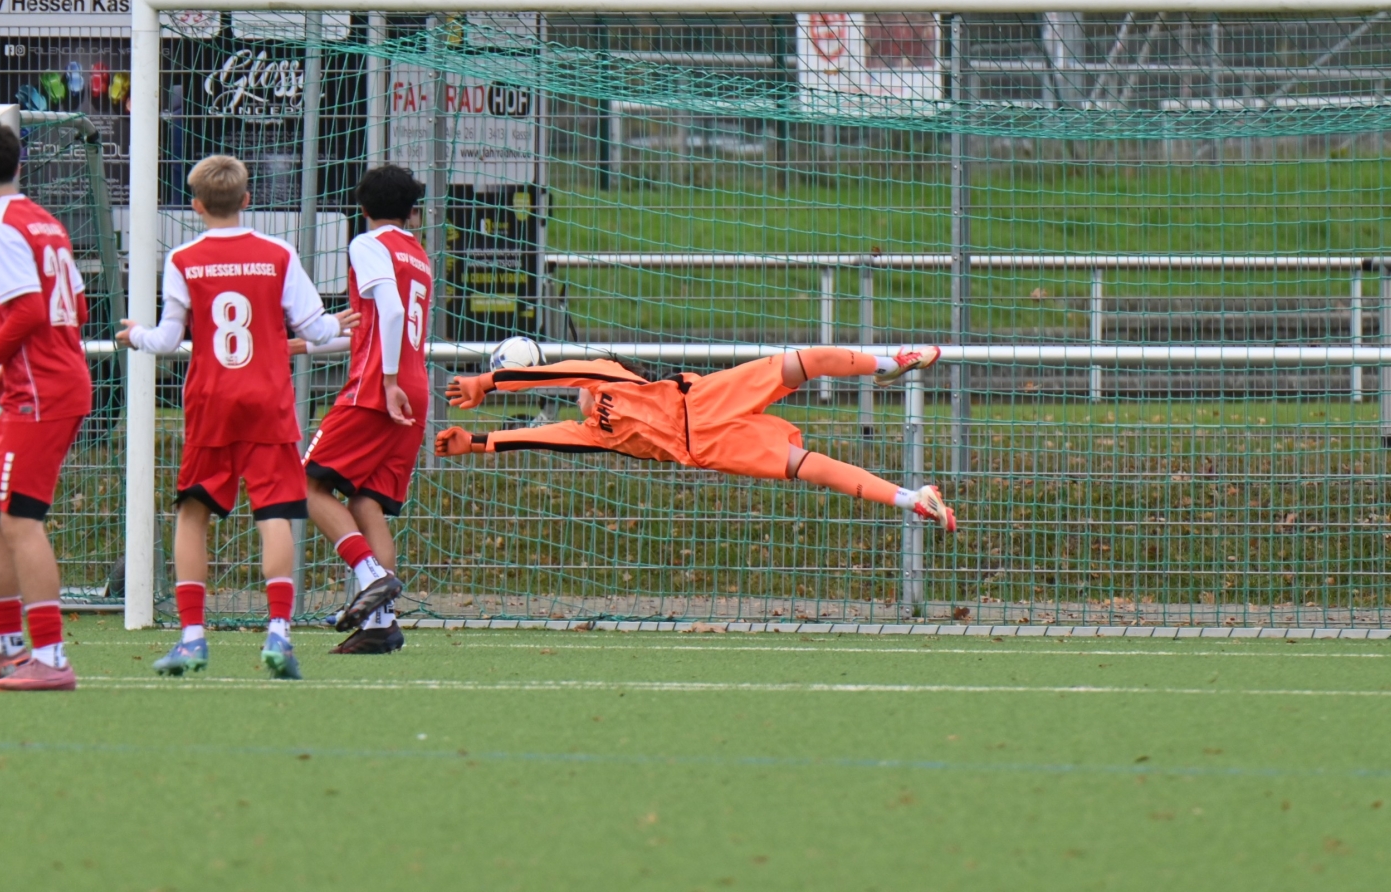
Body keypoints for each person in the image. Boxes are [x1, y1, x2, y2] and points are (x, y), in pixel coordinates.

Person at [120, 154, 347, 680]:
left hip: (211, 402)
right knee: (275, 513)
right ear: (246, 199)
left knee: (193, 512)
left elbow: (166, 340)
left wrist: (134, 335)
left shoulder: (184, 258)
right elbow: (315, 330)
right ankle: (279, 632)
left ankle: (192, 638)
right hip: (268, 400)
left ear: (196, 205)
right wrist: (339, 324)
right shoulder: (278, 253)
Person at [436, 348, 958, 530]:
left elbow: (554, 373)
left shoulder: (608, 378)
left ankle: (889, 363)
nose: (576, 394)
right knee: (810, 466)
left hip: (703, 401)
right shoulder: (595, 434)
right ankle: (914, 499)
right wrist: (477, 442)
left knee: (804, 361)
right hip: (705, 448)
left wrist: (490, 382)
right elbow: (540, 440)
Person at [0, 118, 94, 693]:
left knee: (19, 519)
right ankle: (8, 648)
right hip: (38, 382)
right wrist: (8, 369)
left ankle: (50, 657)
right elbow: (75, 308)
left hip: (45, 391)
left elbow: (30, 310)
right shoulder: (44, 221)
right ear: (19, 166)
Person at [301, 164, 435, 656]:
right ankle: (382, 624)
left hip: (378, 389)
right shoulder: (418, 255)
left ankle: (372, 574)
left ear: (362, 208)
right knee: (365, 501)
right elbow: (379, 324)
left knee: (303, 484)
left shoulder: (367, 243)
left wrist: (388, 381)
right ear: (413, 212)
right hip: (413, 388)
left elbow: (392, 312)